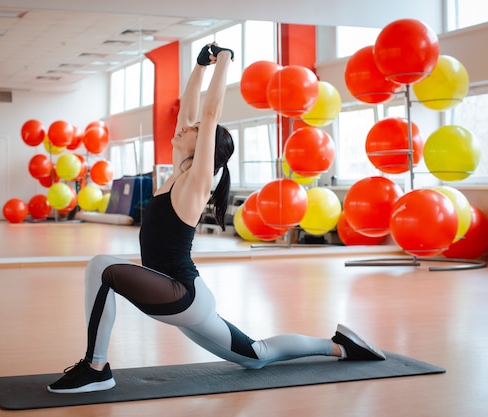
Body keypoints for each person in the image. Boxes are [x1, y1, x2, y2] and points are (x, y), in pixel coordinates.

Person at [47, 44, 385, 394]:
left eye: (192, 130)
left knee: (102, 267)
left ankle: (96, 367)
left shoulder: (199, 180)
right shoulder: (178, 173)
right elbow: (191, 111)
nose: (184, 128)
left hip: (181, 294)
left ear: (207, 147)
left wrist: (224, 60)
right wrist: (199, 66)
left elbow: (208, 115)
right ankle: (341, 346)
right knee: (257, 354)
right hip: (184, 297)